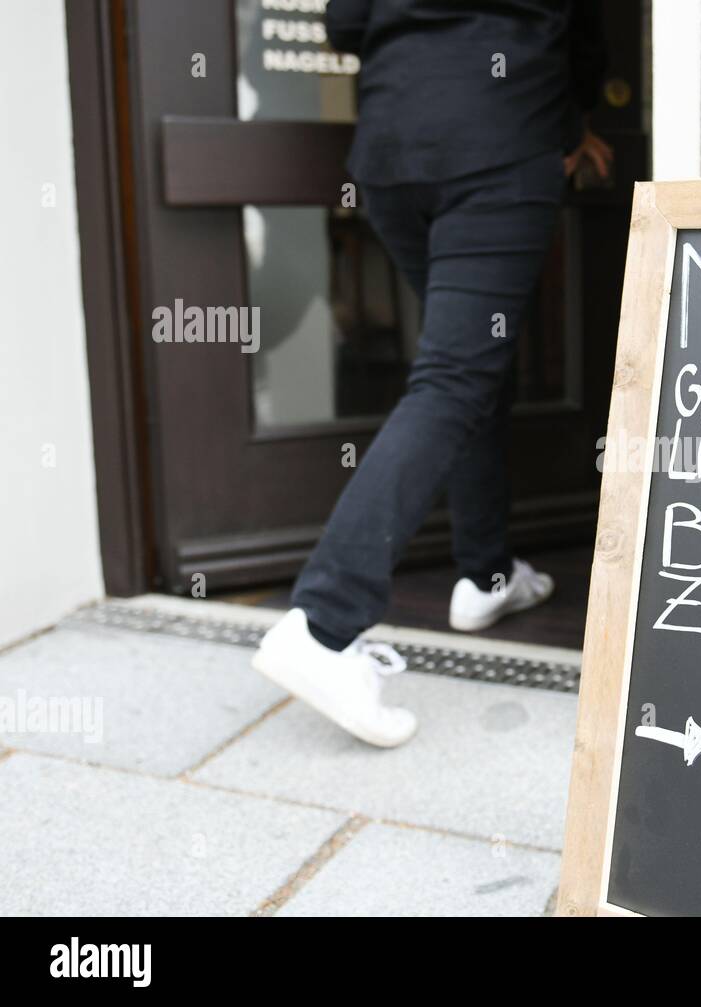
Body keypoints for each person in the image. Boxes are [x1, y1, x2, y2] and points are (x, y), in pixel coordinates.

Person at [252, 0, 612, 748]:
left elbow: (345, 24)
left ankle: (483, 577)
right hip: (498, 141)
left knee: (471, 368)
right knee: (455, 377)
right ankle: (323, 624)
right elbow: (582, 37)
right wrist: (572, 125)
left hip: (394, 157)